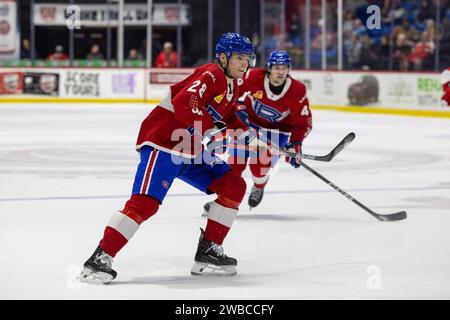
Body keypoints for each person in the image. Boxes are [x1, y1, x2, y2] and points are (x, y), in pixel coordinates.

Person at [79, 32, 256, 284]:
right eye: (239, 58)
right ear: (223, 57)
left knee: (233, 185)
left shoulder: (234, 84)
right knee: (145, 204)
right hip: (164, 142)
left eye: (247, 58)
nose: (244, 64)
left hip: (189, 147)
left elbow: (225, 117)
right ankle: (99, 259)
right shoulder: (211, 73)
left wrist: (249, 136)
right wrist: (211, 128)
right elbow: (187, 101)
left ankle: (208, 253)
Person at [203, 50, 312, 212]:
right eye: (276, 68)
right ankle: (223, 200)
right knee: (235, 164)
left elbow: (302, 122)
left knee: (260, 163)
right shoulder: (253, 77)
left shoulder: (297, 90)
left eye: (284, 68)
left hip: (278, 131)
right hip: (249, 126)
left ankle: (258, 186)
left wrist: (296, 143)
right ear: (269, 68)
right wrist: (238, 108)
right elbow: (234, 92)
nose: (280, 72)